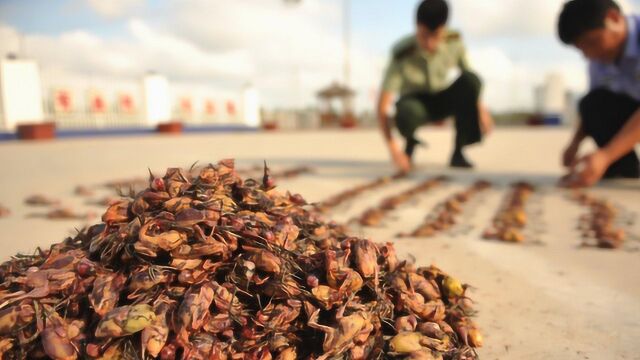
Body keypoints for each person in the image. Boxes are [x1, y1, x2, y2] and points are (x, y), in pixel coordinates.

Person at [377, 0, 493, 174]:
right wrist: (393, 149)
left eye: (436, 36)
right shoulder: (401, 52)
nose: (430, 43)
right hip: (416, 104)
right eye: (424, 35)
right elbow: (382, 106)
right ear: (416, 26)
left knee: (472, 80)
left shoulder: (454, 41)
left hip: (442, 99)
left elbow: (469, 82)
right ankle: (409, 145)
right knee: (406, 110)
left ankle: (458, 151)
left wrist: (481, 109)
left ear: (445, 28)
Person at [558, 0, 640, 187]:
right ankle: (622, 168)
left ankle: (608, 159)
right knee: (593, 103)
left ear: (614, 18)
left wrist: (606, 154)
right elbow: (592, 107)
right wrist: (574, 143)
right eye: (581, 49)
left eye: (591, 42)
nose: (588, 54)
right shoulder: (598, 59)